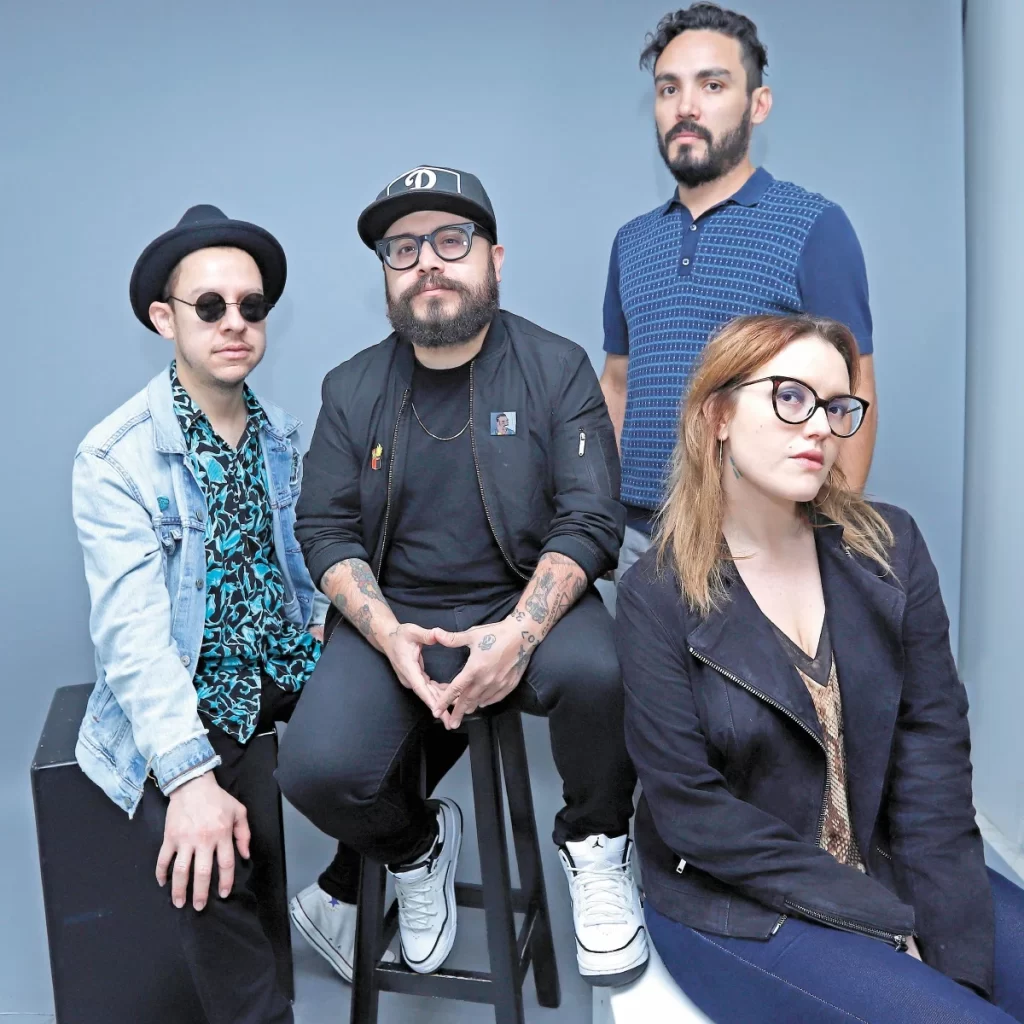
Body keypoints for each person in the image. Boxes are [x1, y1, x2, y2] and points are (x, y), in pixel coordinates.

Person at [276, 165, 648, 985]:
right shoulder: (351, 388)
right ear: (385, 272)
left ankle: (597, 844)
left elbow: (590, 517)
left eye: (451, 241)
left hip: (524, 596)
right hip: (398, 611)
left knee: (603, 673)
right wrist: (386, 635)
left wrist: (519, 634)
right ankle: (417, 846)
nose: (428, 264)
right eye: (403, 248)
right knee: (313, 770)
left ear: (494, 259)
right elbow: (324, 528)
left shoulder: (556, 368)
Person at [615, 312, 1024, 1022]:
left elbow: (931, 757)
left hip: (887, 857)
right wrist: (882, 920)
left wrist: (952, 953)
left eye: (836, 407)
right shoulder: (655, 593)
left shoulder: (890, 549)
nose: (819, 428)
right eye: (790, 397)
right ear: (717, 415)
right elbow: (694, 814)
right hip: (737, 903)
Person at [71, 205, 352, 1024]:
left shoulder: (280, 436)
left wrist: (335, 625)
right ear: (165, 319)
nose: (235, 323)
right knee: (208, 856)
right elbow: (131, 639)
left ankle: (345, 892)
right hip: (191, 685)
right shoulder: (115, 456)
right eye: (210, 306)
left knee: (425, 695)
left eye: (251, 306)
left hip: (284, 659)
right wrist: (189, 778)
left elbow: (312, 557)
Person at [600, 3, 877, 581]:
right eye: (669, 88)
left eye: (713, 84)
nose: (686, 106)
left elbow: (853, 390)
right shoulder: (631, 242)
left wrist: (829, 542)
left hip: (759, 539)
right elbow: (618, 383)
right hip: (638, 544)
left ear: (758, 104)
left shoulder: (815, 226)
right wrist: (599, 513)